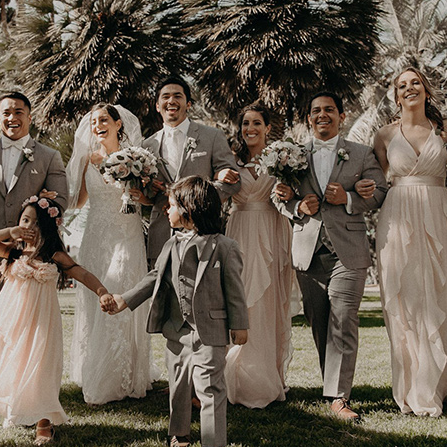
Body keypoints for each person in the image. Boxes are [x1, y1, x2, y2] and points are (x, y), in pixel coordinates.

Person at [110, 176, 248, 447]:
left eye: (171, 205)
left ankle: (211, 446)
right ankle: (179, 432)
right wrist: (125, 299)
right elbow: (154, 277)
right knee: (179, 385)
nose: (165, 211)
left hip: (210, 330)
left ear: (190, 208)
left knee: (210, 387)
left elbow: (235, 289)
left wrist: (240, 324)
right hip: (176, 328)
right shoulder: (171, 243)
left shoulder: (225, 246)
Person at [366, 69, 447, 417]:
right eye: (402, 85)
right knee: (407, 300)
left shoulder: (445, 131)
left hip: (438, 213)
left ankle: (444, 384)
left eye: (415, 82)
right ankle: (416, 387)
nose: (409, 88)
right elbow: (380, 184)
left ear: (426, 91)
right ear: (395, 96)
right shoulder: (383, 135)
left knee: (442, 294)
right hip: (398, 219)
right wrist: (364, 195)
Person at [274, 91, 387, 421]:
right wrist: (296, 205)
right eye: (316, 111)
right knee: (319, 321)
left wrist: (349, 198)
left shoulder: (362, 154)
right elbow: (278, 196)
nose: (322, 115)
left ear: (342, 116)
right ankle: (331, 384)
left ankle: (339, 396)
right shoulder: (290, 154)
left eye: (329, 110)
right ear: (309, 118)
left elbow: (380, 193)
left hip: (348, 252)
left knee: (343, 319)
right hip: (307, 252)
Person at [0, 196, 115, 446]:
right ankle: (17, 407)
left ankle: (44, 421)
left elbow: (81, 272)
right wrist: (9, 232)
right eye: (25, 220)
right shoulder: (11, 251)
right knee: (13, 360)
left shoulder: (53, 254)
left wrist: (102, 291)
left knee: (40, 364)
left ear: (47, 227)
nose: (29, 226)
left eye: (36, 223)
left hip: (40, 320)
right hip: (12, 320)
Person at [66, 103, 156, 404]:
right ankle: (97, 366)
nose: (97, 126)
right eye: (93, 122)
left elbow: (146, 201)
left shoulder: (136, 158)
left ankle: (124, 374)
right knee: (94, 300)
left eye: (104, 120)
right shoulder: (87, 159)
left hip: (126, 233)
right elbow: (78, 202)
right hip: (95, 235)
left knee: (122, 291)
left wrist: (134, 192)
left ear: (118, 124)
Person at [0, 91, 68, 315]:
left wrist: (45, 204)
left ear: (29, 117)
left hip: (32, 257)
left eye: (19, 112)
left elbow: (61, 200)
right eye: (6, 113)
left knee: (27, 324)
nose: (12, 118)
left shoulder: (49, 156)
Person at [223, 103, 297, 408]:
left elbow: (295, 191)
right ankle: (235, 377)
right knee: (238, 299)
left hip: (270, 230)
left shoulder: (281, 160)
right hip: (238, 230)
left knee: (267, 302)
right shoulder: (230, 161)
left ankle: (265, 377)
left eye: (256, 123)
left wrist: (289, 192)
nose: (250, 128)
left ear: (268, 128)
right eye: (245, 124)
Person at [136, 76, 240, 266]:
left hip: (203, 233)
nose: (171, 101)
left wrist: (197, 202)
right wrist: (144, 189)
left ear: (188, 103)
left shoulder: (212, 136)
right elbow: (148, 194)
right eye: (165, 97)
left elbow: (233, 183)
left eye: (178, 96)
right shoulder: (146, 146)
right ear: (158, 106)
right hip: (161, 232)